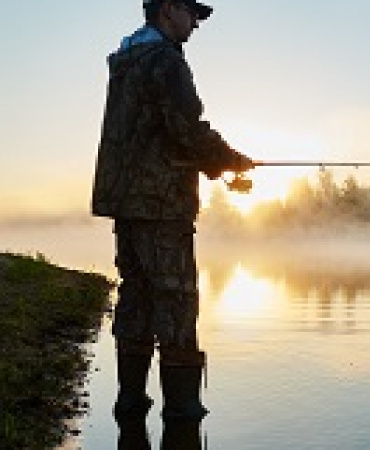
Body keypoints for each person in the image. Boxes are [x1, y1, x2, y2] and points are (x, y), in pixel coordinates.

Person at [91, 0, 253, 421]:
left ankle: (130, 402)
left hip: (126, 200)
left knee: (136, 297)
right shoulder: (165, 61)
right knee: (178, 301)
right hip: (162, 204)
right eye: (192, 13)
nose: (197, 23)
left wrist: (213, 161)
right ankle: (183, 411)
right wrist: (231, 159)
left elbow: (156, 133)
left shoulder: (126, 61)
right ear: (168, 10)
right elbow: (187, 129)